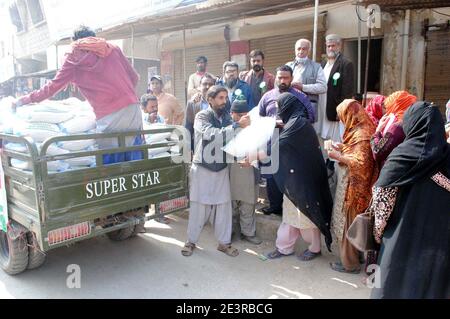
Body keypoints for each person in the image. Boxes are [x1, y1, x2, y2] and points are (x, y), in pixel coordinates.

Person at [12, 25, 143, 163]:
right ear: (93, 37)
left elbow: (52, 87)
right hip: (132, 108)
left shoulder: (74, 56)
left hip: (108, 115)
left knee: (111, 160)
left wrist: (23, 100)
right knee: (134, 153)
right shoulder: (113, 48)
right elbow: (134, 77)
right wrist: (124, 94)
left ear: (75, 40)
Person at [370, 102, 450, 299]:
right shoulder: (447, 156)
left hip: (398, 240)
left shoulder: (401, 156)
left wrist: (378, 235)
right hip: (439, 245)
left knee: (390, 287)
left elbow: (382, 201)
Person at [261, 93, 333, 260]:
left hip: (304, 179)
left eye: (280, 107)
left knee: (306, 215)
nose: (279, 111)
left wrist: (257, 155)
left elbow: (281, 145)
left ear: (288, 106)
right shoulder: (294, 122)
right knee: (290, 214)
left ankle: (315, 248)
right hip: (294, 177)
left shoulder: (299, 124)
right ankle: (284, 247)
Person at [181, 86, 251, 257]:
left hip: (220, 168)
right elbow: (211, 135)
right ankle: (191, 242)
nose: (224, 101)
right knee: (199, 207)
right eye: (220, 97)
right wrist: (236, 126)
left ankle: (224, 243)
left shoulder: (227, 117)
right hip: (202, 167)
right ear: (210, 99)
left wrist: (239, 157)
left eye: (226, 98)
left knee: (223, 207)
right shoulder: (201, 116)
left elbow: (231, 142)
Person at [327, 99, 377, 274]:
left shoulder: (362, 134)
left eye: (343, 116)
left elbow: (361, 162)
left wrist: (338, 156)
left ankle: (350, 264)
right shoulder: (362, 128)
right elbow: (357, 152)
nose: (342, 120)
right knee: (355, 222)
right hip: (361, 186)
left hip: (356, 187)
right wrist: (343, 147)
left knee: (350, 222)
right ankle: (357, 257)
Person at [257, 65, 313, 216]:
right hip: (272, 140)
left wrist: (290, 123)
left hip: (293, 142)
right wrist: (271, 122)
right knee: (272, 175)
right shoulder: (267, 96)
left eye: (286, 78)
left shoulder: (300, 97)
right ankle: (275, 206)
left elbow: (310, 117)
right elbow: (259, 117)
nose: (282, 80)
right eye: (279, 77)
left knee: (291, 175)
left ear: (292, 79)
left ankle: (292, 209)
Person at [229, 100, 262, 245]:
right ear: (232, 115)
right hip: (231, 172)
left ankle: (248, 233)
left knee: (248, 204)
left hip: (249, 171)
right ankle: (229, 232)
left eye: (245, 114)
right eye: (239, 115)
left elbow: (263, 151)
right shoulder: (228, 129)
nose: (244, 118)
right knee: (230, 205)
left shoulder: (255, 129)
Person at [317, 34, 355, 154]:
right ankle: (327, 157)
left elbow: (347, 90)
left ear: (339, 46)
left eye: (333, 46)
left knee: (334, 137)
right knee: (323, 135)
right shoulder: (323, 64)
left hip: (334, 107)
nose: (331, 49)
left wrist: (341, 110)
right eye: (328, 46)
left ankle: (333, 162)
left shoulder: (346, 64)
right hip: (322, 105)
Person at [370, 91, 417, 169]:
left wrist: (378, 131)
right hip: (423, 174)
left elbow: (377, 152)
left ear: (395, 106)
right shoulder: (418, 122)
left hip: (398, 174)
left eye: (389, 106)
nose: (387, 111)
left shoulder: (397, 127)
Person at [286, 38, 327, 125]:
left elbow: (323, 87)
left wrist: (303, 87)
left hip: (307, 108)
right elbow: (278, 85)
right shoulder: (287, 66)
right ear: (295, 50)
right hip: (289, 107)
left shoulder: (316, 67)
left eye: (304, 49)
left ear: (309, 51)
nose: (301, 51)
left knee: (306, 135)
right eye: (298, 48)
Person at [185, 73, 216, 152]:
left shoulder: (220, 101)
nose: (207, 87)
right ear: (200, 86)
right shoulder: (192, 103)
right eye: (205, 84)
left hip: (216, 143)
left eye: (210, 84)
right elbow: (189, 127)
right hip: (199, 145)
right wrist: (189, 149)